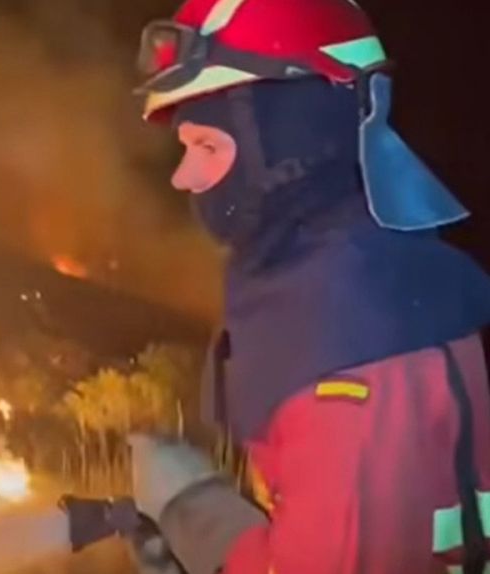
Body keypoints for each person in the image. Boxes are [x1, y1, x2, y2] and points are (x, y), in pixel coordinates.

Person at [126, 1, 490, 573]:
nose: (182, 176)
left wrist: (192, 510)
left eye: (208, 147)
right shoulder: (343, 282)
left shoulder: (352, 336)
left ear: (292, 144)